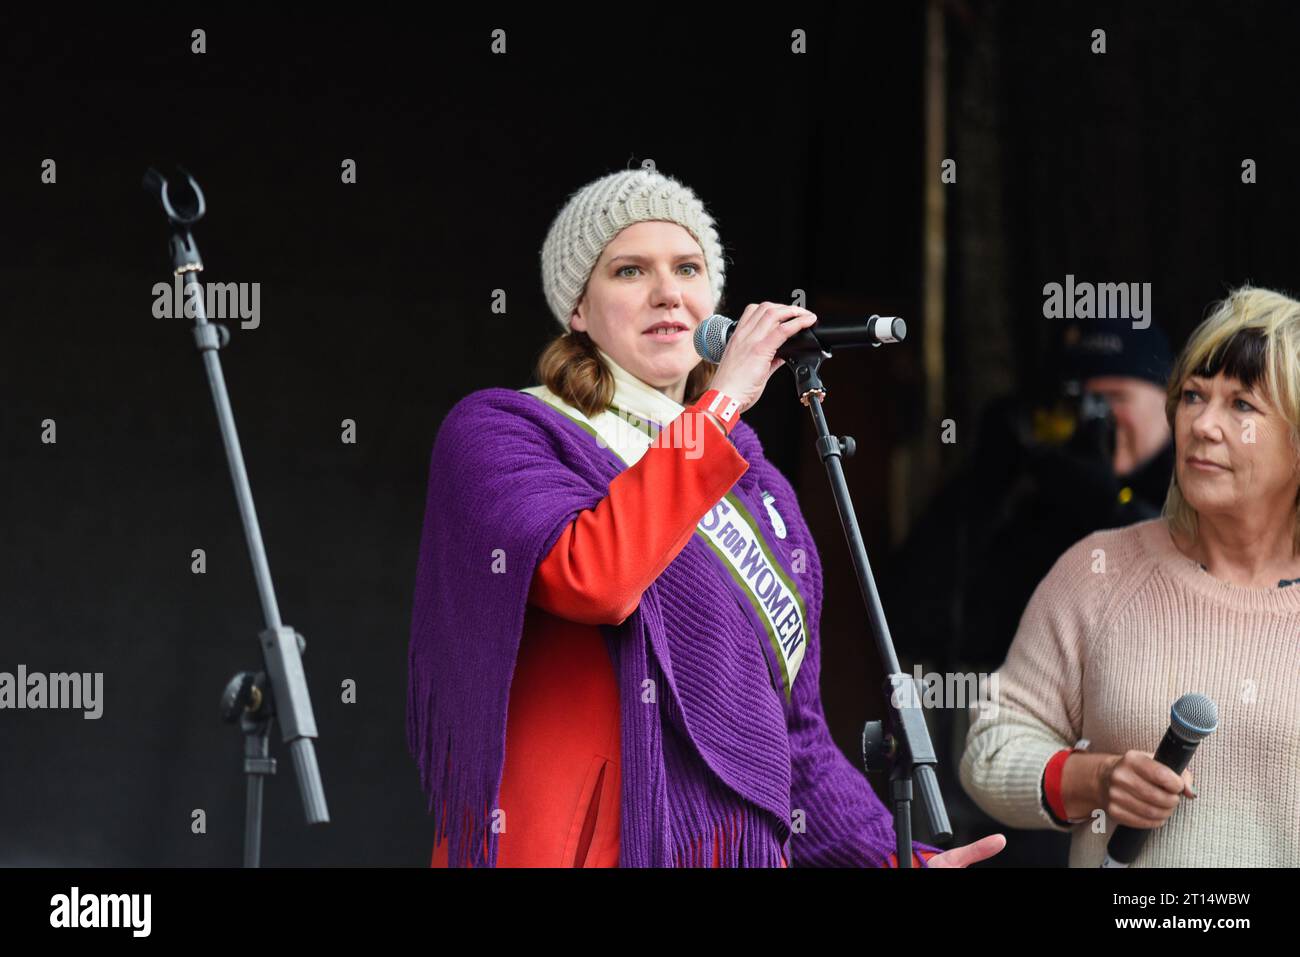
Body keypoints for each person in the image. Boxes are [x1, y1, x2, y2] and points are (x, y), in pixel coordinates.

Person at [407, 167, 1006, 867]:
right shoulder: (506, 428)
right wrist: (718, 408)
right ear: (577, 308)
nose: (667, 291)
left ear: (713, 299)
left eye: (687, 267)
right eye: (630, 270)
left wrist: (899, 858)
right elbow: (594, 574)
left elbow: (796, 743)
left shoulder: (763, 491)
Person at [959, 285, 1300, 866]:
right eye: (1193, 395)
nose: (1203, 425)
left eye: (1242, 404)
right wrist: (1095, 779)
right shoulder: (1100, 570)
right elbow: (989, 749)